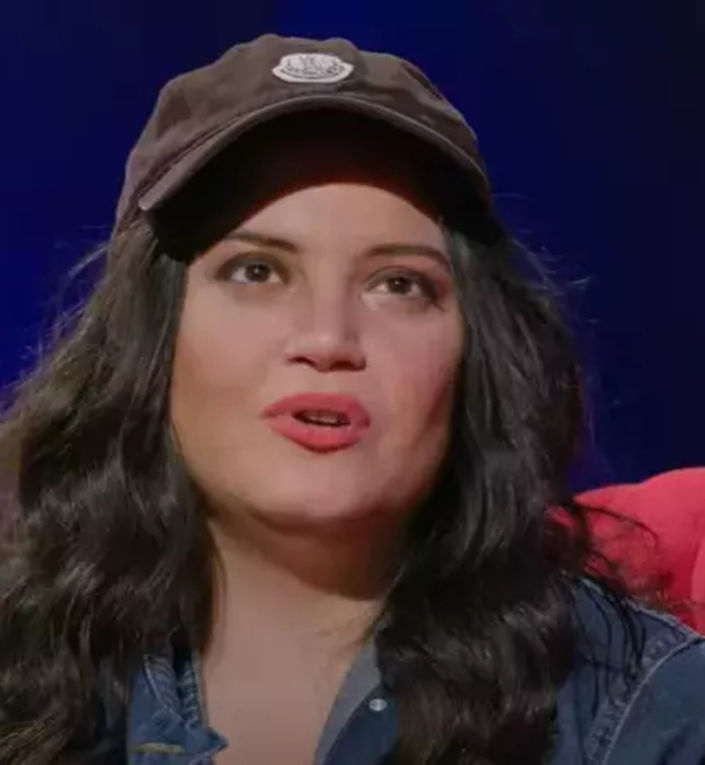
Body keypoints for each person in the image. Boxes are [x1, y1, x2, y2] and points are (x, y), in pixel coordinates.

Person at [0, 33, 703, 765]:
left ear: (474, 352)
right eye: (255, 271)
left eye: (398, 284)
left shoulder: (650, 716)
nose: (328, 338)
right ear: (150, 336)